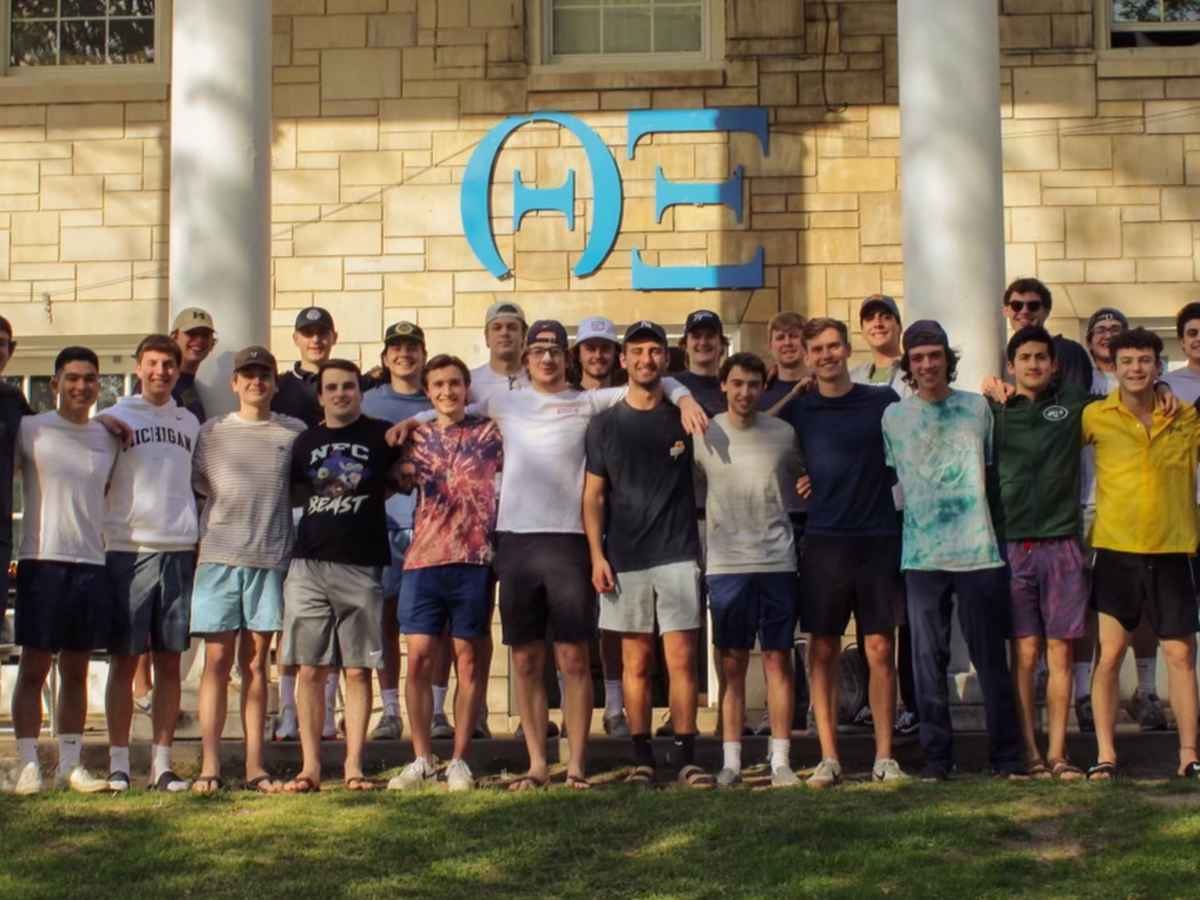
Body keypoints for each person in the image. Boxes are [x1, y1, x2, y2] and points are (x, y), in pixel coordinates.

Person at [388, 320, 704, 788]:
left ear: (565, 358)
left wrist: (685, 397)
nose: (548, 359)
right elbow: (449, 408)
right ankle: (538, 765)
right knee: (526, 661)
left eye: (555, 351)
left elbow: (650, 382)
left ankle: (575, 766)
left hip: (570, 543)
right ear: (527, 360)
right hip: (516, 542)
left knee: (573, 660)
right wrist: (411, 421)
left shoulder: (588, 401)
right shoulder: (503, 402)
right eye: (538, 352)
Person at [881, 319, 1024, 780]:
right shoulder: (894, 417)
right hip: (922, 555)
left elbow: (991, 466)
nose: (927, 365)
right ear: (908, 365)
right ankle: (938, 759)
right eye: (918, 358)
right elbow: (890, 476)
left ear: (947, 359)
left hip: (977, 550)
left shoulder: (977, 408)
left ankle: (1006, 758)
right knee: (927, 663)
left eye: (934, 356)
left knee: (990, 659)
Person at [584, 320, 715, 789]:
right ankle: (642, 761)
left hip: (678, 553)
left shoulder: (685, 416)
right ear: (623, 360)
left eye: (654, 351)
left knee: (681, 661)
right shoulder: (604, 424)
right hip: (624, 559)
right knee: (636, 663)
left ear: (666, 358)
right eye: (636, 351)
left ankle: (685, 759)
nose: (646, 359)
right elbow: (594, 496)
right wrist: (597, 556)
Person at [781, 318, 909, 785]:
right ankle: (829, 757)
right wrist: (792, 393)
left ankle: (884, 758)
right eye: (817, 349)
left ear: (847, 349)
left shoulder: (882, 400)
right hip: (824, 541)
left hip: (878, 537)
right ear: (807, 357)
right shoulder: (801, 409)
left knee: (880, 648)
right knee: (823, 650)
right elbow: (757, 429)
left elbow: (904, 454)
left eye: (833, 346)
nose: (827, 355)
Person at [1083, 328, 1200, 780]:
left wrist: (1166, 391)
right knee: (1111, 656)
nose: (1136, 369)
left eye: (1145, 360)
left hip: (1173, 550)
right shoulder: (1095, 416)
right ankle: (1106, 754)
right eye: (1128, 361)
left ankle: (1188, 754)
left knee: (1181, 655)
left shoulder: (1186, 416)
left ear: (1158, 365)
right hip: (1116, 551)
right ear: (1113, 367)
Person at [189, 347, 306, 793]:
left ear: (274, 383)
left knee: (257, 664)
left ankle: (256, 765)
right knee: (216, 662)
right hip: (218, 558)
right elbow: (202, 486)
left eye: (264, 375)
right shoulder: (211, 432)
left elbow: (298, 490)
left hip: (270, 559)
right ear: (234, 383)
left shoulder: (294, 432)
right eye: (248, 374)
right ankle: (210, 765)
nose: (257, 382)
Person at [282, 359, 399, 792]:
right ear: (321, 397)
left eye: (348, 386)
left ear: (360, 392)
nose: (340, 394)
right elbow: (299, 492)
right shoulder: (305, 441)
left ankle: (353, 766)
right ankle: (310, 767)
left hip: (362, 563)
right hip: (308, 564)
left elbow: (401, 473)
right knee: (310, 669)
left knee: (357, 670)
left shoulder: (382, 435)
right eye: (331, 388)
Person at [387, 355, 503, 792]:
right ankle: (421, 759)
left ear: (466, 387)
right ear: (428, 391)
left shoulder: (491, 433)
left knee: (468, 660)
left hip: (474, 561)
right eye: (438, 385)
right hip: (423, 561)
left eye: (454, 383)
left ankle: (459, 760)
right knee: (418, 658)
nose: (447, 391)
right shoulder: (416, 439)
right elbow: (390, 481)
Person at [9, 347, 118, 794]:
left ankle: (70, 765)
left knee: (75, 669)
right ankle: (27, 764)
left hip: (91, 563)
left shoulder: (109, 436)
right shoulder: (30, 429)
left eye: (90, 378)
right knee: (34, 667)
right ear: (55, 384)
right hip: (42, 561)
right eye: (72, 378)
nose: (81, 386)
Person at [694, 352, 803, 787]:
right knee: (733, 663)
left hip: (778, 562)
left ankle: (780, 761)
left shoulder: (784, 434)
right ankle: (732, 762)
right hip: (726, 566)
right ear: (724, 385)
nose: (745, 392)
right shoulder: (703, 433)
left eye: (753, 384)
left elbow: (808, 475)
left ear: (763, 387)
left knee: (778, 659)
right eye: (737, 383)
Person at [988, 326, 1092, 781]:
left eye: (1041, 357)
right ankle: (1029, 753)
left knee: (1061, 652)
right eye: (1025, 357)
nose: (1033, 364)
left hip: (1062, 543)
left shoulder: (1074, 406)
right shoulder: (994, 411)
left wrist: (1163, 386)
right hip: (1013, 546)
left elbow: (1129, 400)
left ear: (1054, 365)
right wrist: (988, 389)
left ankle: (1058, 753)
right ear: (1011, 366)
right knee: (1026, 653)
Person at [103, 334, 201, 793]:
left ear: (178, 372)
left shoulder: (189, 422)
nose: (161, 371)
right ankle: (119, 764)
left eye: (169, 365)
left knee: (169, 662)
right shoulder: (115, 417)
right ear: (139, 367)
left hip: (178, 547)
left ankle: (162, 764)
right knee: (125, 661)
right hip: (129, 549)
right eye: (153, 363)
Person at [361, 321, 451, 742]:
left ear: (423, 355)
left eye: (412, 347)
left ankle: (438, 711)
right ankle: (390, 710)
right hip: (382, 525)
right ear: (385, 357)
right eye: (396, 348)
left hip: (434, 527)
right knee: (384, 620)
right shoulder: (367, 400)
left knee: (437, 626)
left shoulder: (439, 396)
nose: (404, 354)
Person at [847, 294, 920, 739]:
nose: (878, 324)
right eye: (870, 319)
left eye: (886, 317)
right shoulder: (853, 375)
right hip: (862, 508)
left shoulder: (913, 373)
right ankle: (871, 703)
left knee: (906, 612)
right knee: (869, 611)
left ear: (897, 324)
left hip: (904, 506)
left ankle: (912, 702)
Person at [270, 306, 341, 741]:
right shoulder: (279, 388)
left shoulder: (349, 382)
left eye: (322, 332)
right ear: (296, 338)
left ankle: (327, 715)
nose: (315, 340)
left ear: (333, 336)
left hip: (338, 515)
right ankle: (287, 712)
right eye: (307, 333)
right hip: (294, 513)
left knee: (330, 617)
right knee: (289, 619)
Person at [571, 316, 629, 736]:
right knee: (568, 622)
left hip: (621, 519)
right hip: (567, 524)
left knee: (615, 618)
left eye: (605, 347)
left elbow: (668, 384)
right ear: (579, 354)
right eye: (590, 347)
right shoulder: (564, 398)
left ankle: (614, 708)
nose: (598, 355)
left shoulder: (629, 398)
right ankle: (566, 711)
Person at [470, 300, 530, 403]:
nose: (504, 333)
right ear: (487, 337)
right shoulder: (470, 382)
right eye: (497, 328)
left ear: (523, 335)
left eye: (512, 328)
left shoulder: (538, 380)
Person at [674, 309, 728, 416]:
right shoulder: (670, 385)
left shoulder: (735, 385)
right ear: (685, 345)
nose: (703, 342)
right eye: (696, 336)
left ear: (721, 344)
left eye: (710, 335)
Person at [168, 307, 217, 423]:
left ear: (212, 343)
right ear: (174, 338)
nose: (199, 340)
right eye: (191, 333)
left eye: (205, 335)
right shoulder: (162, 380)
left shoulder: (191, 384)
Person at [758, 311, 808, 412]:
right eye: (780, 338)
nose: (787, 343)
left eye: (794, 336)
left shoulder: (822, 386)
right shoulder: (759, 390)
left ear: (807, 342)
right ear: (770, 346)